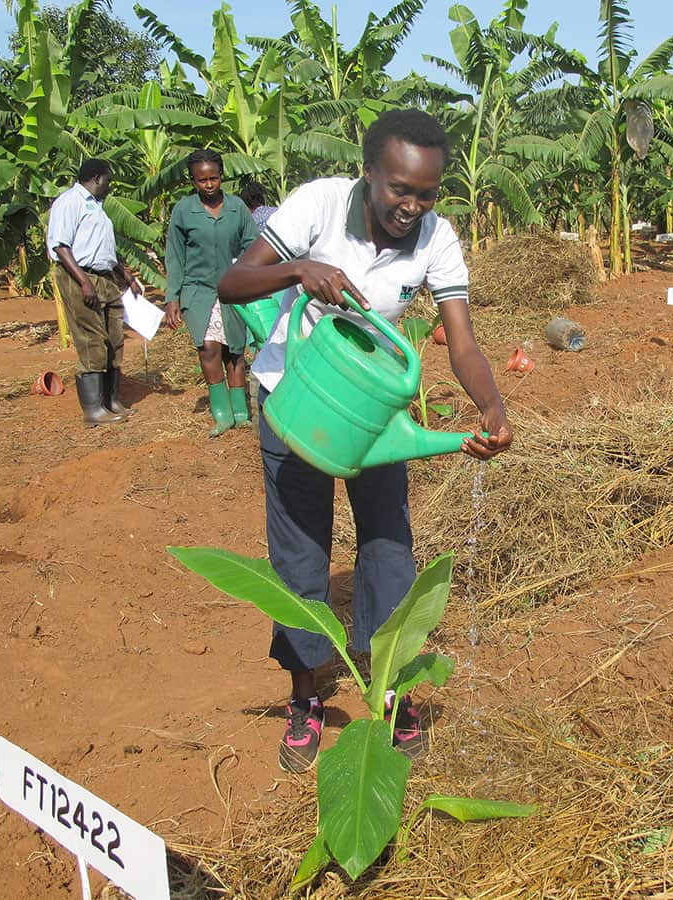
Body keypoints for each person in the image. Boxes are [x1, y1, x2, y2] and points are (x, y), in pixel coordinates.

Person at [218, 109, 513, 773]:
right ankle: (305, 695)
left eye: (427, 192)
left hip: (373, 409)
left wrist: (492, 406)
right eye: (399, 188)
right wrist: (301, 271)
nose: (412, 205)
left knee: (388, 548)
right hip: (296, 397)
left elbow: (460, 341)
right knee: (300, 555)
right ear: (370, 172)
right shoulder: (317, 205)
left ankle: (392, 690)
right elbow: (232, 284)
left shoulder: (438, 238)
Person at [164, 149, 259, 435]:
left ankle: (240, 411)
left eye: (214, 178)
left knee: (235, 351)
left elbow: (251, 244)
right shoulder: (184, 210)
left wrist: (245, 273)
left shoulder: (237, 208)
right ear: (193, 181)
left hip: (233, 289)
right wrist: (173, 297)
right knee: (208, 348)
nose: (209, 185)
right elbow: (175, 255)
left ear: (222, 177)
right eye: (201, 180)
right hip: (198, 290)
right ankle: (222, 413)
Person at [46, 158, 144, 426]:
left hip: (105, 277)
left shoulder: (97, 208)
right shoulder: (70, 202)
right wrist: (84, 282)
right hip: (80, 276)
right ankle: (93, 409)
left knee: (114, 339)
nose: (110, 187)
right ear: (97, 178)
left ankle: (111, 400)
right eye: (109, 181)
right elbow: (61, 246)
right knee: (92, 338)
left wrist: (127, 277)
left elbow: (105, 251)